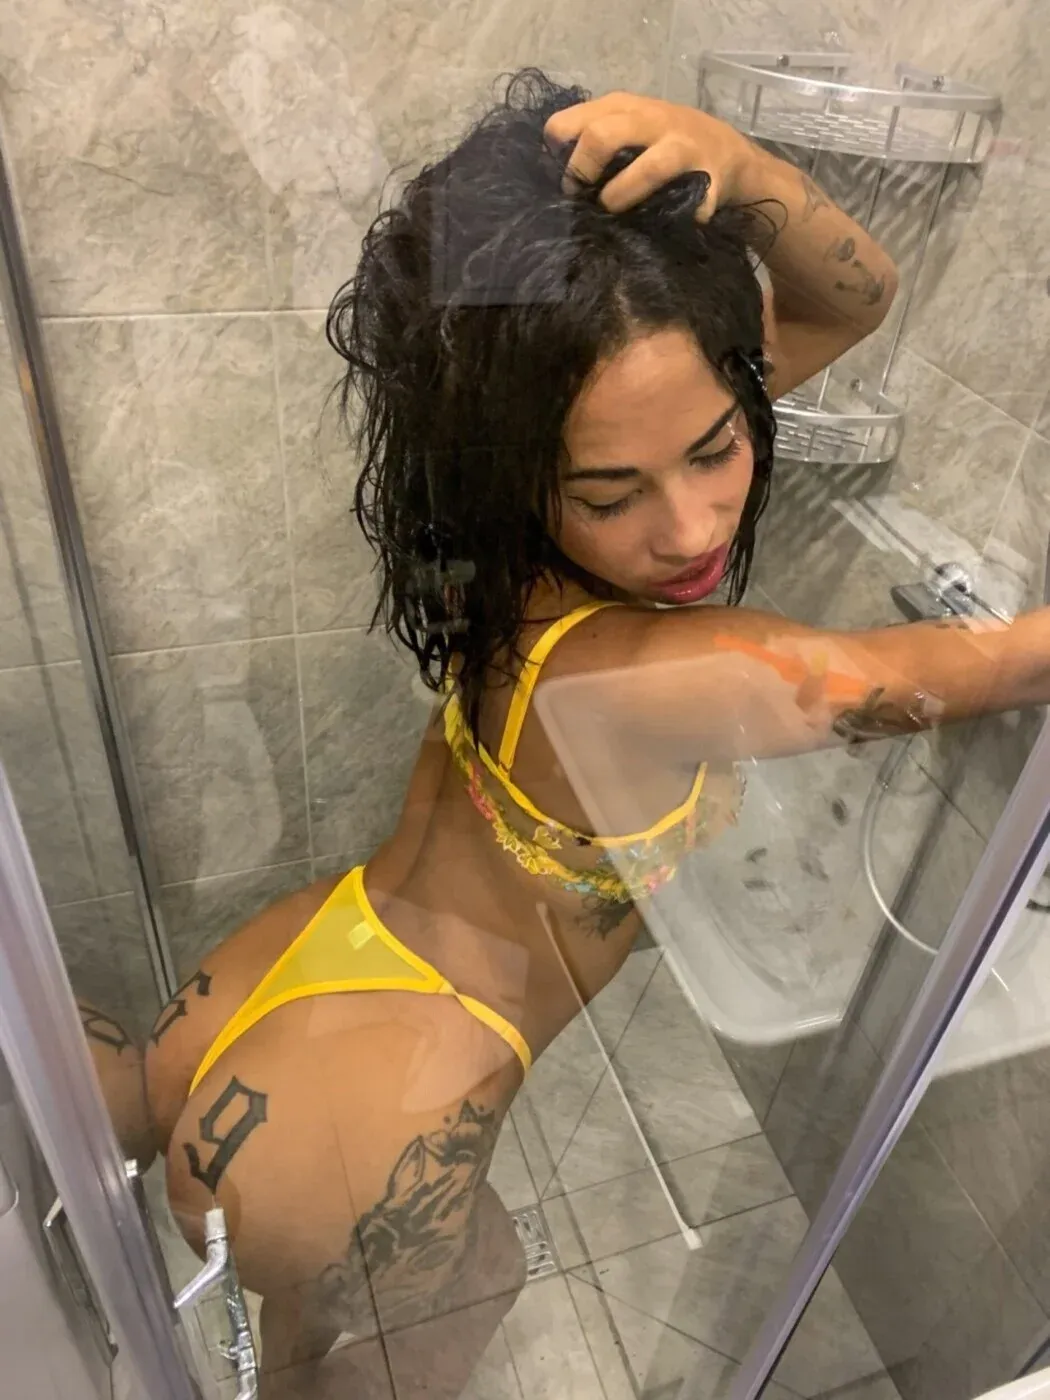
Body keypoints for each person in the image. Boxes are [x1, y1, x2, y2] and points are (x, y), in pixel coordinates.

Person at [143, 69, 1048, 1398]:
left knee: (291, 1355)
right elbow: (998, 662)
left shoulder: (499, 526)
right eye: (613, 494)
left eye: (718, 448)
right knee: (477, 1284)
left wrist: (738, 169)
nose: (690, 529)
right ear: (530, 469)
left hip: (288, 975)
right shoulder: (654, 672)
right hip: (376, 1122)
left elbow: (850, 303)